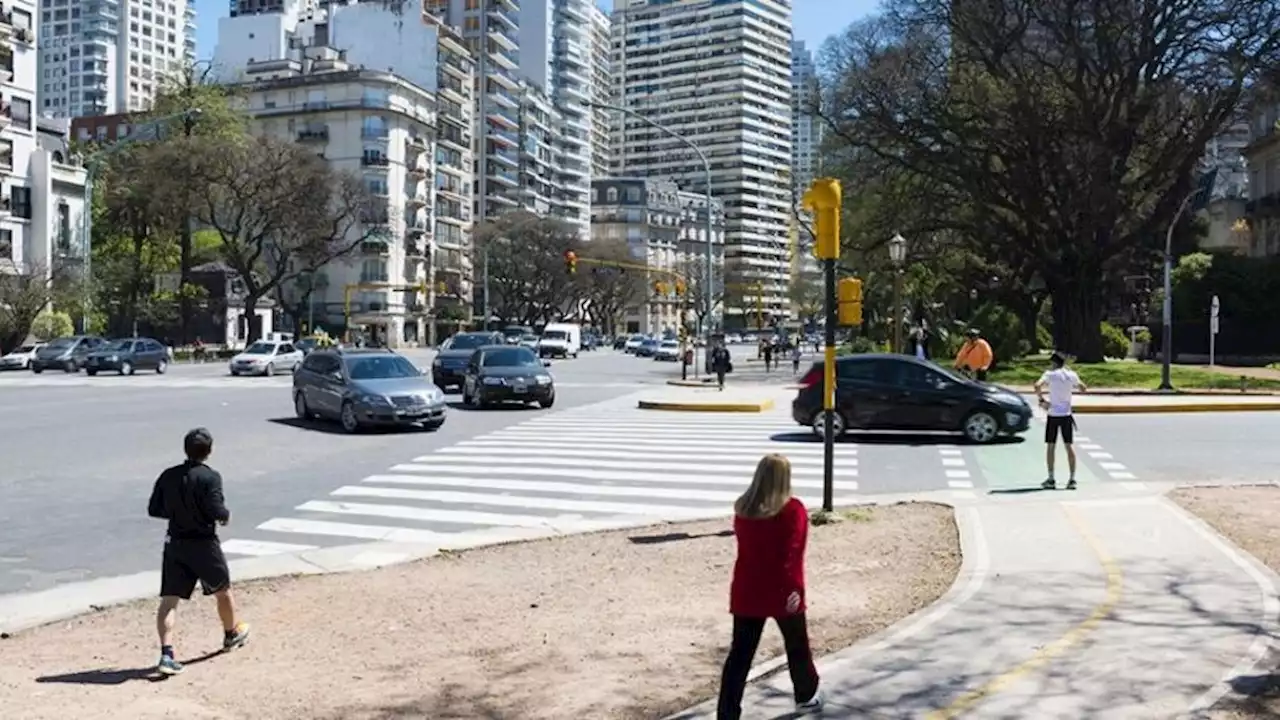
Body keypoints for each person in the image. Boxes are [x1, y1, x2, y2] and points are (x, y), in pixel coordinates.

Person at [717, 455, 823, 719]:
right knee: (797, 645)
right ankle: (806, 694)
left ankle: (727, 712)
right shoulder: (793, 510)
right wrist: (796, 592)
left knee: (740, 655)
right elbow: (794, 552)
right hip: (783, 589)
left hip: (747, 589)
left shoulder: (743, 508)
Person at [147, 428, 250, 675]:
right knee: (222, 590)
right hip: (204, 543)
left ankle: (166, 653)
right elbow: (217, 509)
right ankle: (231, 633)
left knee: (169, 600)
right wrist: (225, 517)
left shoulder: (168, 475)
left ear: (185, 449)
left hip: (175, 543)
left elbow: (154, 509)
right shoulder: (210, 478)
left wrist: (176, 513)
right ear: (209, 451)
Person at [1035, 352, 1089, 490]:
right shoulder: (1071, 375)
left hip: (1053, 414)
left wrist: (1042, 400)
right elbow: (1083, 388)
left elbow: (1037, 385)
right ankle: (1072, 479)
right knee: (1069, 446)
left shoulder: (1050, 374)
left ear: (1054, 363)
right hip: (1066, 414)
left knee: (1051, 446)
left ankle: (1051, 478)